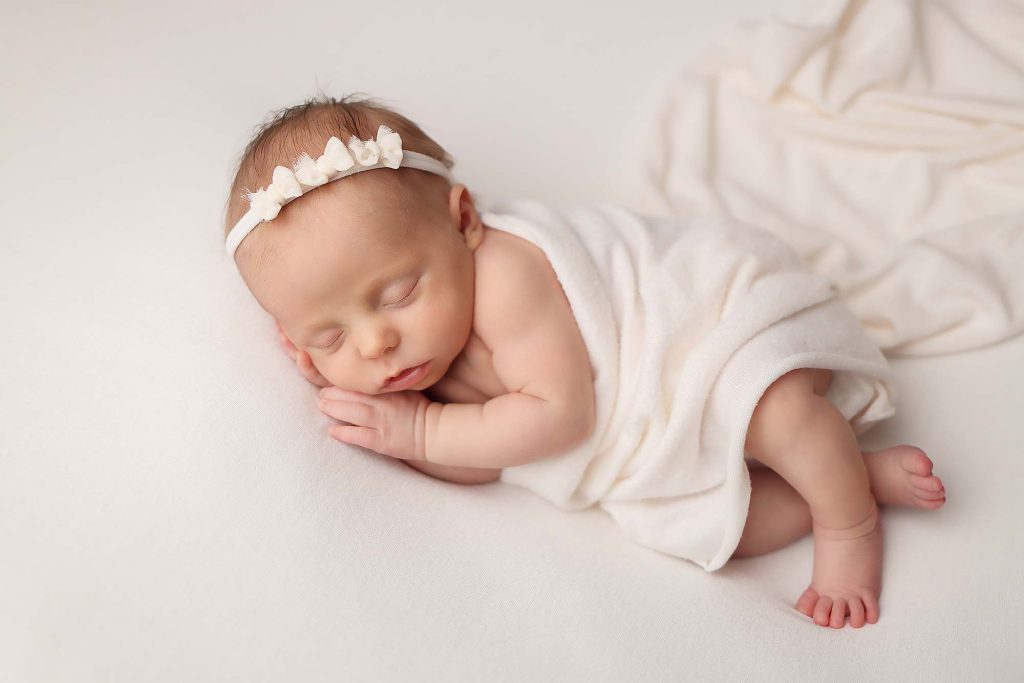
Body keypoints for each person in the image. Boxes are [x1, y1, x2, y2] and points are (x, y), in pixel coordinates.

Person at [222, 94, 946, 630]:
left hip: (705, 329)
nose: (376, 343)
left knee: (778, 414)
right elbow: (486, 459)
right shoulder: (411, 357)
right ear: (293, 344)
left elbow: (559, 416)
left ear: (464, 221)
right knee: (724, 530)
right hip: (644, 422)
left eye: (400, 291)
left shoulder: (504, 272)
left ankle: (847, 523)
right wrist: (408, 433)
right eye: (328, 336)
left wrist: (420, 435)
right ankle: (865, 475)